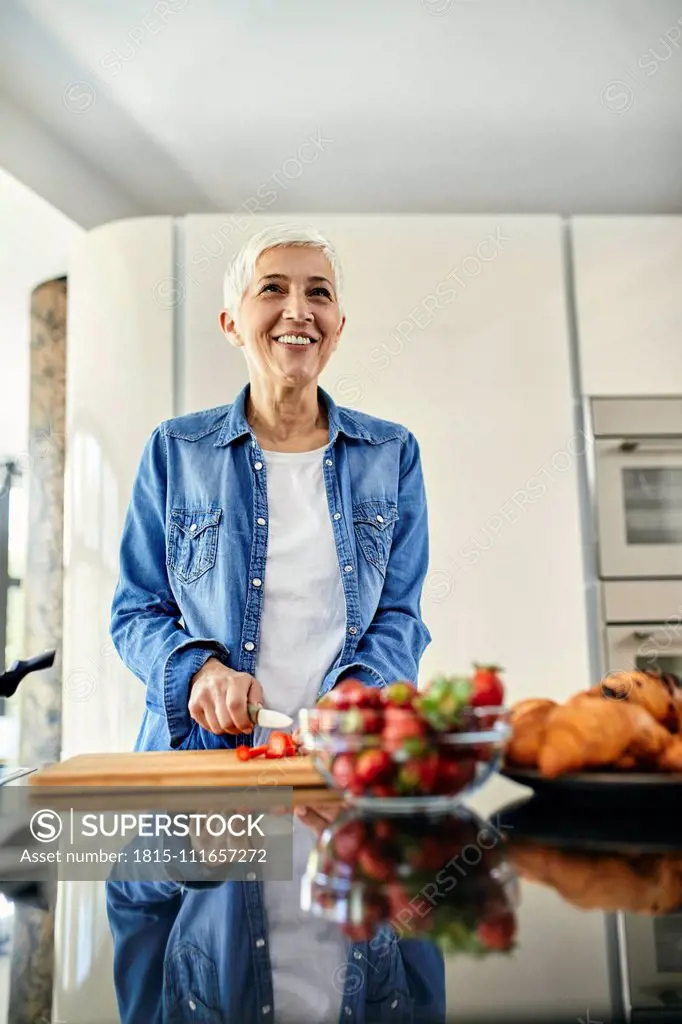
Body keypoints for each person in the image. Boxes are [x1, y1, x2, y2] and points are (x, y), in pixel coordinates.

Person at [107, 223, 443, 1022]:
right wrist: (199, 673)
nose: (299, 308)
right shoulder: (175, 451)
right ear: (232, 322)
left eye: (319, 292)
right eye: (274, 288)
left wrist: (359, 697)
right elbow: (134, 612)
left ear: (338, 327)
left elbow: (401, 618)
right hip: (205, 792)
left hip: (347, 786)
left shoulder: (390, 453)